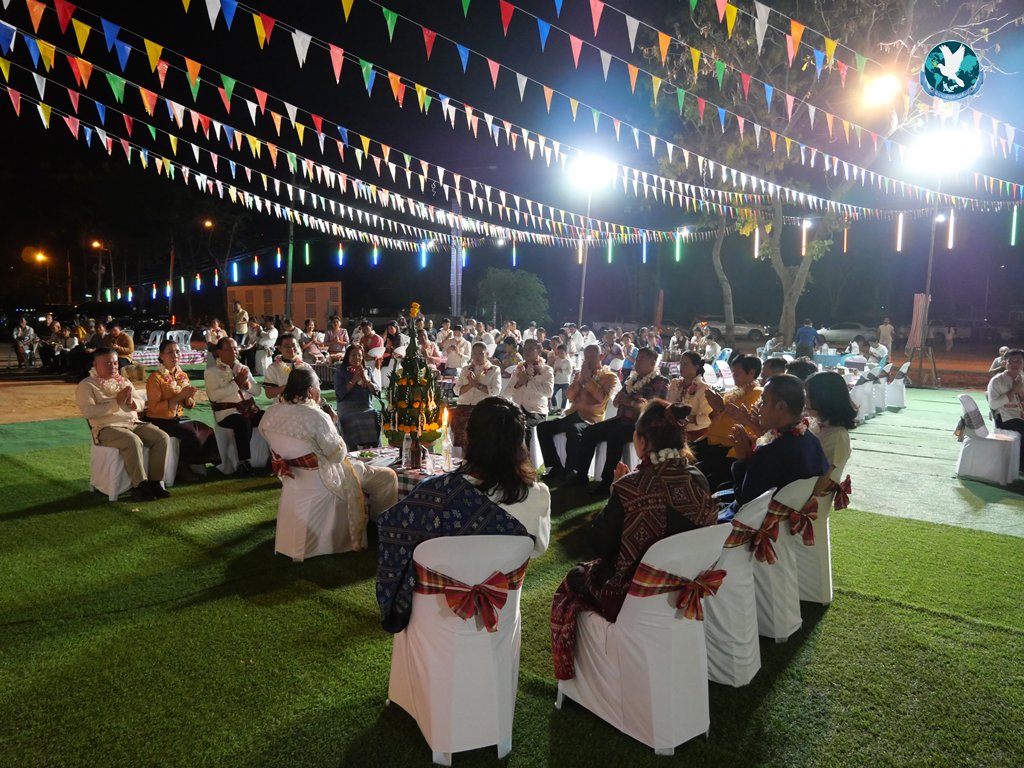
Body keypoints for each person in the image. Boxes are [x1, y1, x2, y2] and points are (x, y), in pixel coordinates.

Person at [550, 400, 716, 680]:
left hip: (635, 595)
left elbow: (599, 544)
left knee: (574, 579)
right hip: (689, 582)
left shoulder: (631, 486)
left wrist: (616, 494)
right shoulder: (698, 478)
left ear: (641, 441)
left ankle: (582, 676)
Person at [376, 396, 551, 633]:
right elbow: (537, 549)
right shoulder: (538, 495)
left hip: (431, 623)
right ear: (520, 443)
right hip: (501, 619)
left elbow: (394, 538)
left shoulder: (433, 493)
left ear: (467, 437)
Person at [260, 367, 398, 550]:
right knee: (387, 476)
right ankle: (381, 527)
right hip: (326, 478)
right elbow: (337, 455)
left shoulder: (270, 413)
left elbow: (265, 434)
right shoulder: (316, 416)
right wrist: (332, 423)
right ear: (311, 392)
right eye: (318, 386)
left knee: (363, 467)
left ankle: (368, 518)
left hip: (294, 476)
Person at [568, 347, 669, 496]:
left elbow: (653, 406)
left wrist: (630, 402)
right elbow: (617, 401)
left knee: (615, 435)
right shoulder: (632, 379)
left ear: (653, 363)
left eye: (642, 359)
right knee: (590, 431)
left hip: (641, 425)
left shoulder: (660, 381)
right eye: (637, 358)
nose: (637, 362)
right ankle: (581, 475)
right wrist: (620, 400)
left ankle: (608, 482)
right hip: (621, 419)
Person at [77, 348, 170, 502]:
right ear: (95, 365)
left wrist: (134, 404)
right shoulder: (87, 385)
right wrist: (117, 403)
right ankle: (140, 486)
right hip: (106, 428)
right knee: (132, 440)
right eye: (107, 364)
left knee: (161, 438)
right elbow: (89, 412)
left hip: (133, 423)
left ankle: (155, 482)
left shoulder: (123, 381)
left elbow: (141, 403)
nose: (113, 367)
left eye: (115, 363)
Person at [726, 374, 829, 512]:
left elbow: (745, 502)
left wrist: (743, 459)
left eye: (763, 401)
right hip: (787, 519)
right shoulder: (811, 440)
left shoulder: (770, 451)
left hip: (754, 521)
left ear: (780, 406)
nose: (759, 406)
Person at [538, 344, 618, 481]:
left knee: (573, 429)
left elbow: (603, 398)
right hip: (572, 414)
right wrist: (579, 380)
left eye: (592, 356)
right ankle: (555, 466)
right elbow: (569, 396)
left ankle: (571, 471)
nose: (589, 359)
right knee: (543, 427)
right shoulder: (580, 374)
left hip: (590, 418)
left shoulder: (610, 377)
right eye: (586, 356)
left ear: (600, 356)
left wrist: (588, 380)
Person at [144, 340, 220, 482]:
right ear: (161, 356)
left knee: (206, 429)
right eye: (170, 352)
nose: (175, 355)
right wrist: (179, 397)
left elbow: (189, 404)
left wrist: (189, 397)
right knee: (190, 433)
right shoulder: (155, 378)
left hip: (178, 418)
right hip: (160, 420)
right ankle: (182, 467)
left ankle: (204, 461)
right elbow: (154, 407)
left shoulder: (182, 375)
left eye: (177, 352)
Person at [693, 355, 763, 491]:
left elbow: (738, 423)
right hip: (712, 438)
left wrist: (720, 408)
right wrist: (716, 408)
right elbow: (716, 418)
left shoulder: (756, 393)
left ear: (751, 373)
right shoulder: (733, 392)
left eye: (738, 373)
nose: (734, 376)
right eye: (733, 372)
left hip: (727, 444)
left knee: (700, 471)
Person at [204, 337, 264, 476]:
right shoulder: (211, 372)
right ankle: (244, 462)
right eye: (229, 349)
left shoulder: (243, 368)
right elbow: (213, 396)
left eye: (235, 348)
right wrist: (236, 383)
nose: (234, 351)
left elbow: (257, 391)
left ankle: (272, 458)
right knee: (242, 422)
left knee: (269, 417)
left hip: (249, 409)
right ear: (219, 352)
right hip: (227, 413)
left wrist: (247, 385)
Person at [805, 371, 857, 498]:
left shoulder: (836, 436)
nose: (805, 400)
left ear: (824, 399)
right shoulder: (820, 425)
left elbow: (819, 486)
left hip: (807, 501)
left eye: (809, 395)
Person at [451, 341, 501, 448]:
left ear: (487, 354)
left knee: (477, 437)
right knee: (459, 431)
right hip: (463, 406)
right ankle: (460, 454)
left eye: (480, 353)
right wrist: (470, 384)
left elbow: (496, 391)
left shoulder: (494, 370)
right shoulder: (466, 369)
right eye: (474, 353)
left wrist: (477, 385)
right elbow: (456, 390)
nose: (477, 356)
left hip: (482, 408)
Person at [507, 338, 554, 448]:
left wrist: (529, 380)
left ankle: (526, 456)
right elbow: (507, 392)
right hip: (517, 409)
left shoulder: (546, 370)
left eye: (530, 349)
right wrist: (519, 383)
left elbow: (549, 392)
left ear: (539, 350)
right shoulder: (518, 369)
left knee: (522, 428)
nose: (526, 352)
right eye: (525, 349)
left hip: (536, 411)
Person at [333, 344, 382, 449]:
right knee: (352, 417)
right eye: (353, 355)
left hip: (365, 406)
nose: (356, 358)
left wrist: (366, 380)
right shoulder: (340, 371)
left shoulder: (368, 370)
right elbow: (339, 394)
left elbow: (377, 391)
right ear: (348, 356)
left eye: (359, 355)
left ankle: (372, 447)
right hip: (347, 407)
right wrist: (353, 380)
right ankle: (353, 449)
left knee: (376, 416)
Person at [986, 348, 1024, 473]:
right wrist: (1013, 391)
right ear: (1005, 363)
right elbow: (993, 404)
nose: (1015, 364)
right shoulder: (997, 381)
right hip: (1006, 418)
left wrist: (1020, 390)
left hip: (1020, 416)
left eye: (1019, 361)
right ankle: (1020, 466)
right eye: (1011, 361)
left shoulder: (1022, 379)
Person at [666, 351, 713, 441]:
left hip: (695, 434)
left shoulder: (704, 388)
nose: (681, 367)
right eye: (680, 363)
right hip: (674, 429)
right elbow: (668, 404)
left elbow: (709, 418)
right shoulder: (675, 383)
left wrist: (691, 419)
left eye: (685, 364)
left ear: (696, 367)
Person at [263, 335, 318, 400]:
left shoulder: (306, 366)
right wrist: (289, 386)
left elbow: (316, 389)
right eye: (287, 346)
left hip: (305, 403)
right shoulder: (273, 368)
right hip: (282, 404)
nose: (291, 348)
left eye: (294, 345)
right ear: (279, 348)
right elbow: (269, 394)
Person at [550, 344, 573, 411]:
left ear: (566, 353)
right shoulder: (557, 360)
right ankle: (555, 407)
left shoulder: (568, 361)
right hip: (557, 380)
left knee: (564, 396)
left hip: (565, 381)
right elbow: (554, 369)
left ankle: (562, 409)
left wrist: (562, 370)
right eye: (558, 353)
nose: (560, 354)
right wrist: (554, 371)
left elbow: (570, 371)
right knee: (552, 394)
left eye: (562, 353)